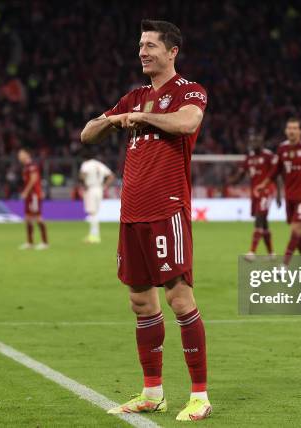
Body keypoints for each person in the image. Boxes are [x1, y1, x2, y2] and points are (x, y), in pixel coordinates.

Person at [79, 20, 211, 421]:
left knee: (178, 297)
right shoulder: (134, 96)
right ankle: (152, 392)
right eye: (140, 45)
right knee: (140, 302)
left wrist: (142, 118)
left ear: (172, 52)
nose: (142, 51)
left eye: (151, 45)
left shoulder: (189, 90)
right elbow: (88, 134)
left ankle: (200, 396)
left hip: (166, 209)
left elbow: (187, 123)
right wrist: (113, 120)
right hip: (131, 213)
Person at [258, 118, 301, 267]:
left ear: (300, 131)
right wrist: (263, 185)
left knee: (296, 227)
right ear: (285, 131)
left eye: (295, 128)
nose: (292, 131)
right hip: (290, 195)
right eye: (289, 128)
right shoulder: (282, 149)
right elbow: (274, 172)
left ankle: (284, 265)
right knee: (298, 232)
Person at [229, 130, 280, 260]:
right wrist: (229, 182)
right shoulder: (249, 158)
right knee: (264, 222)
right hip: (255, 193)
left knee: (259, 218)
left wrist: (279, 194)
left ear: (262, 142)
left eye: (256, 141)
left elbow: (276, 175)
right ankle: (271, 254)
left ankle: (252, 252)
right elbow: (240, 174)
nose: (254, 143)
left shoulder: (268, 156)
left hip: (267, 191)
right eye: (252, 141)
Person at [79, 156, 115, 243]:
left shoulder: (86, 164)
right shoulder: (100, 165)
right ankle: (93, 235)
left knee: (92, 213)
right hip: (99, 189)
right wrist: (105, 186)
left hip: (91, 188)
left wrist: (84, 184)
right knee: (94, 213)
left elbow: (83, 174)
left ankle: (94, 236)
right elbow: (111, 176)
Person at [18, 148, 48, 250]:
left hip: (34, 195)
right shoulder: (26, 167)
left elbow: (34, 179)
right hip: (30, 196)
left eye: (21, 154)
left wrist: (26, 192)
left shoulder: (32, 166)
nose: (19, 157)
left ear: (27, 154)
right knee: (27, 218)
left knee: (38, 218)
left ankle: (45, 242)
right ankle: (30, 242)